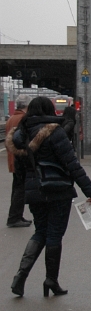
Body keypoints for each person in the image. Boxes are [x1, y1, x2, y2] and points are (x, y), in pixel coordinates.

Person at [9, 96, 91, 297]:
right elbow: (71, 163)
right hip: (58, 190)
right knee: (55, 234)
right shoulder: (54, 132)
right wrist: (89, 190)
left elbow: (20, 170)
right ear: (50, 110)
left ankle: (20, 277)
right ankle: (51, 280)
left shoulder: (21, 134)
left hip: (34, 192)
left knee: (40, 231)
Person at [5, 94, 32, 228]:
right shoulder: (23, 119)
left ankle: (16, 215)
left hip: (13, 158)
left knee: (17, 188)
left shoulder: (12, 118)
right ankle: (14, 217)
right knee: (20, 189)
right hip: (20, 159)